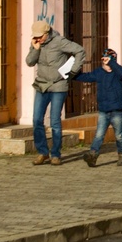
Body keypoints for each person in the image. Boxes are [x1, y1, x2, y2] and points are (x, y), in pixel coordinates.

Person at [24, 20, 85, 166]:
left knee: (55, 121)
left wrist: (73, 71)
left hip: (58, 85)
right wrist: (35, 49)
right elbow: (29, 62)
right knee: (37, 119)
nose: (37, 39)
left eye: (40, 36)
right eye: (35, 36)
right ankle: (42, 152)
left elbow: (79, 51)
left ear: (47, 33)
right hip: (42, 85)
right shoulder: (36, 43)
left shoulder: (59, 41)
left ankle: (56, 154)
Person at [73, 48, 122, 166]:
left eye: (108, 60)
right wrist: (72, 75)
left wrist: (112, 63)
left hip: (116, 110)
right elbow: (86, 76)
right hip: (104, 110)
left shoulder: (118, 72)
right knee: (99, 134)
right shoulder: (99, 72)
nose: (106, 63)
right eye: (104, 60)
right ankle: (92, 155)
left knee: (119, 135)